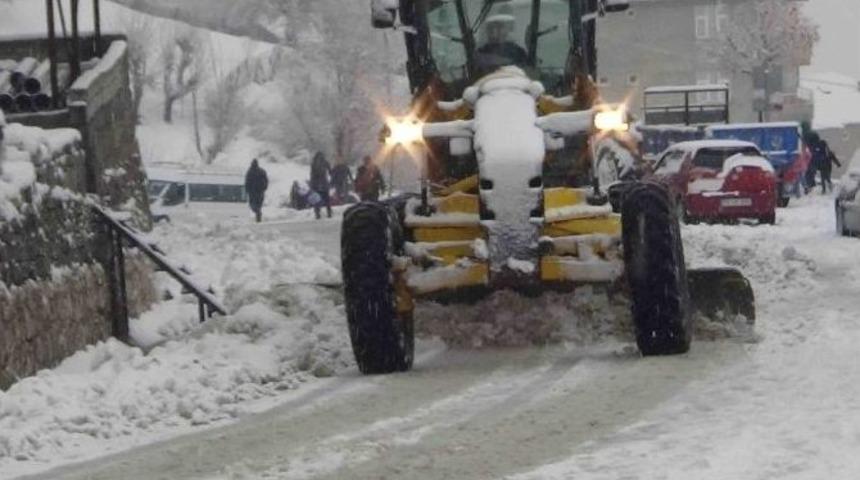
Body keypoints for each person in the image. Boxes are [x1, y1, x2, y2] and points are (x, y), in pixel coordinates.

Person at [475, 9, 528, 75]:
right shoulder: (480, 53)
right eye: (491, 27)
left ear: (507, 30)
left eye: (499, 27)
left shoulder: (519, 53)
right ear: (487, 30)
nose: (494, 31)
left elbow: (526, 74)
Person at [310, 151, 333, 219]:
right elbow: (330, 172)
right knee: (327, 199)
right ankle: (329, 213)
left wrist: (311, 184)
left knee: (316, 200)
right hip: (324, 183)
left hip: (316, 184)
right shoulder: (325, 162)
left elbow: (312, 175)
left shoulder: (314, 163)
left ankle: (317, 214)